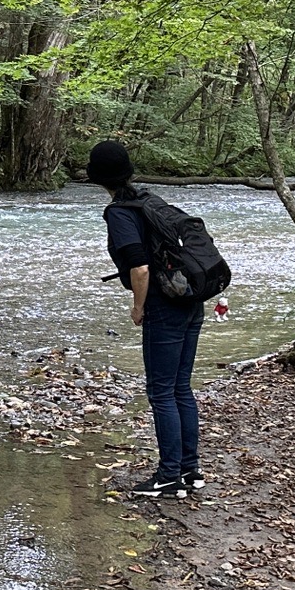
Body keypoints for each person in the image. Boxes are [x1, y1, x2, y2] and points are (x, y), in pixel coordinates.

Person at [88, 139, 204, 499]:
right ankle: (190, 471)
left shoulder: (120, 212)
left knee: (161, 392)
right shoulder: (151, 200)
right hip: (190, 299)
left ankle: (169, 476)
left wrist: (138, 307)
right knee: (180, 387)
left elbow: (139, 267)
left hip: (163, 306)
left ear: (97, 178)